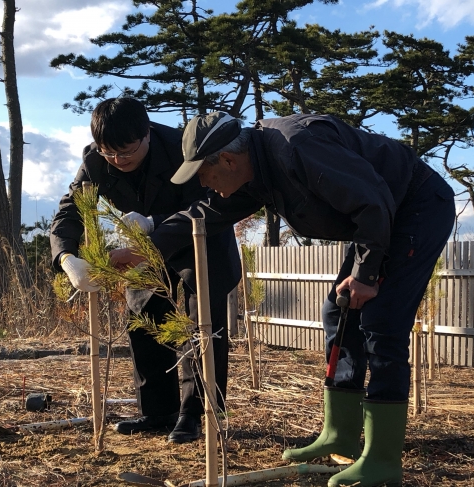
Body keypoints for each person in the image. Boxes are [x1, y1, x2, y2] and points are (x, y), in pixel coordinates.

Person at [123, 112, 454, 487]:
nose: (205, 185)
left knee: (381, 321)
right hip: (380, 215)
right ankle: (340, 433)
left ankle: (382, 460)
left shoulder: (298, 148)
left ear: (227, 160)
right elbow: (208, 214)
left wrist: (365, 275)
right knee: (338, 311)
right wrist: (146, 248)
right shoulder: (254, 170)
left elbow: (372, 201)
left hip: (414, 206)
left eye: (204, 176)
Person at [50, 99, 241, 444]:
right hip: (140, 248)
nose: (118, 162)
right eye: (109, 153)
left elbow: (210, 203)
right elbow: (69, 211)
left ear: (147, 133)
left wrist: (155, 224)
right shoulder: (95, 160)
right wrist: (66, 258)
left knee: (201, 324)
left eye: (126, 152)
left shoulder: (182, 148)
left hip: (200, 238)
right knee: (143, 317)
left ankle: (196, 413)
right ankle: (157, 411)